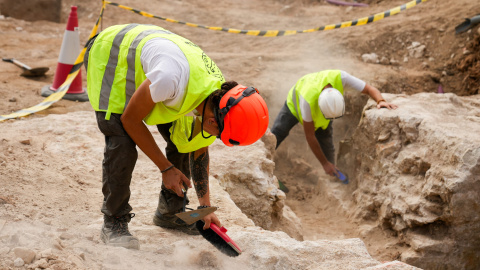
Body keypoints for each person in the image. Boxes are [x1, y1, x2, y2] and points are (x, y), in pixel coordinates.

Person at [84, 24, 269, 249]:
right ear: (213, 121)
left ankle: (170, 213)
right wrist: (165, 168)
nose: (216, 140)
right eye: (220, 136)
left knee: (185, 138)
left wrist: (204, 208)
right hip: (112, 52)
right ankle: (114, 222)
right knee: (122, 143)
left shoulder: (216, 96)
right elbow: (131, 121)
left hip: (156, 68)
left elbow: (198, 147)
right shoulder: (168, 80)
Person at [271, 69, 397, 178]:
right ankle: (263, 162)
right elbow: (310, 136)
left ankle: (333, 171)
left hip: (320, 106)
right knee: (279, 131)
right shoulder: (307, 101)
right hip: (294, 104)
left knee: (326, 138)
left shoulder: (342, 78)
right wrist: (324, 163)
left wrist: (380, 100)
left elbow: (369, 89)